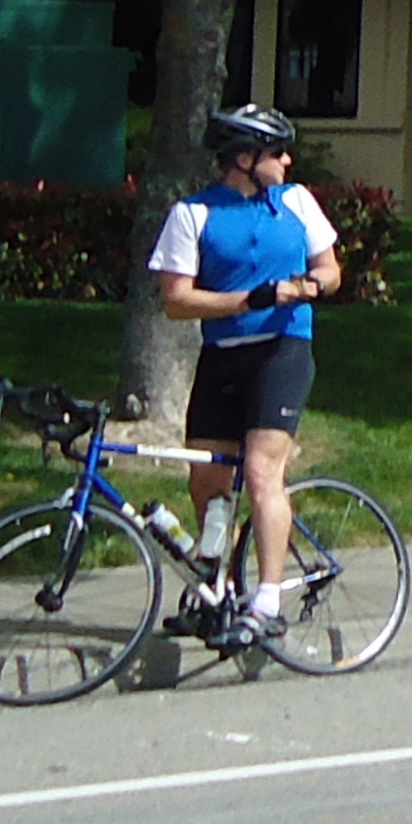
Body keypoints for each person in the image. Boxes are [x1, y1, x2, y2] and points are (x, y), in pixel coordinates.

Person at [147, 103, 345, 650]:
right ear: (243, 159)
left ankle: (268, 601)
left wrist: (305, 288)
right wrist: (247, 300)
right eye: (276, 152)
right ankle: (221, 595)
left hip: (282, 350)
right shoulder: (193, 214)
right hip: (223, 355)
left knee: (260, 472)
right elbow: (176, 300)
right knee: (207, 482)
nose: (287, 160)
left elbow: (330, 269)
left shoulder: (296, 201)